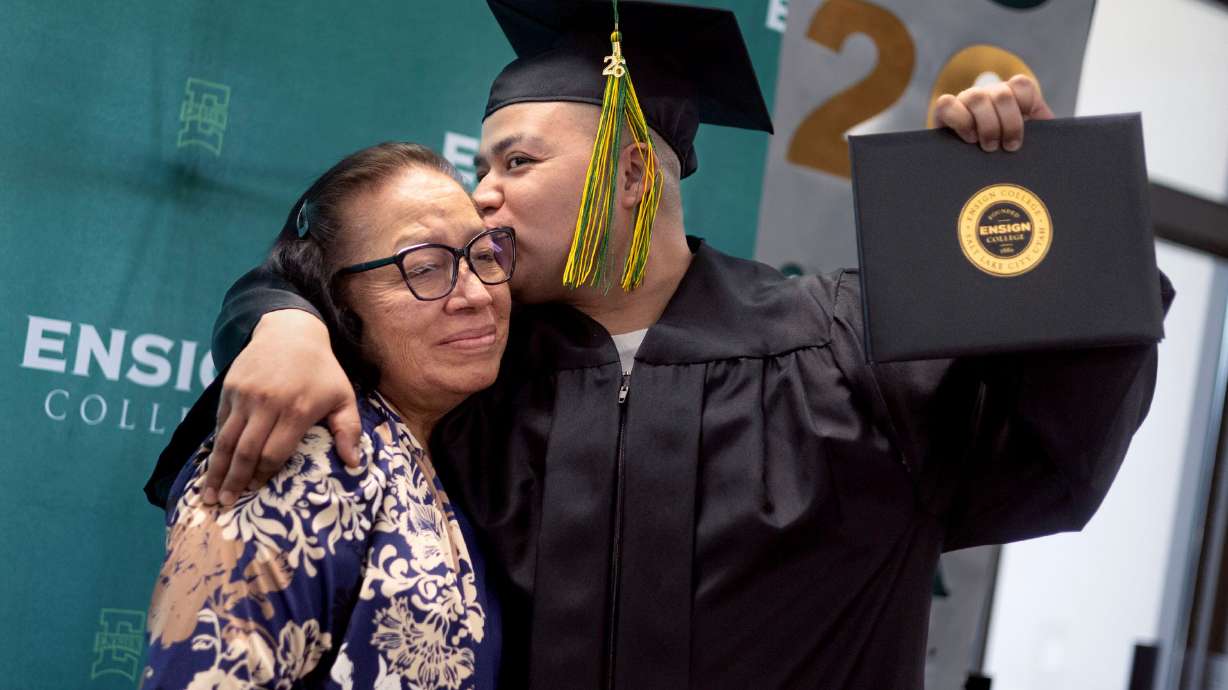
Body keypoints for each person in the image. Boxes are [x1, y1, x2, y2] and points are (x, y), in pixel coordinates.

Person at [145, 1, 1174, 688]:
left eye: (516, 159)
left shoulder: (852, 345)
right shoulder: (473, 375)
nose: (484, 193)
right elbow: (332, 278)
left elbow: (1057, 450)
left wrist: (1040, 188)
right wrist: (271, 316)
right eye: (479, 163)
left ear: (631, 174)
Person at [142, 142, 511, 689]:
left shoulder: (446, 451)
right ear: (337, 301)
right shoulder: (303, 450)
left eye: (484, 256)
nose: (476, 294)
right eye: (425, 268)